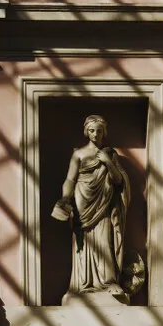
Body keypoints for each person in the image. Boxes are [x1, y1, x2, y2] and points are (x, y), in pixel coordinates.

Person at [52, 114, 132, 305]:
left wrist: (107, 162)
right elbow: (70, 179)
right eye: (91, 130)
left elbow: (118, 180)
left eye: (99, 131)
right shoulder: (79, 154)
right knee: (82, 244)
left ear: (104, 132)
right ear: (86, 132)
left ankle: (109, 282)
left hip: (103, 203)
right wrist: (65, 198)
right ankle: (81, 284)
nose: (95, 134)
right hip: (82, 202)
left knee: (104, 242)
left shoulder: (109, 154)